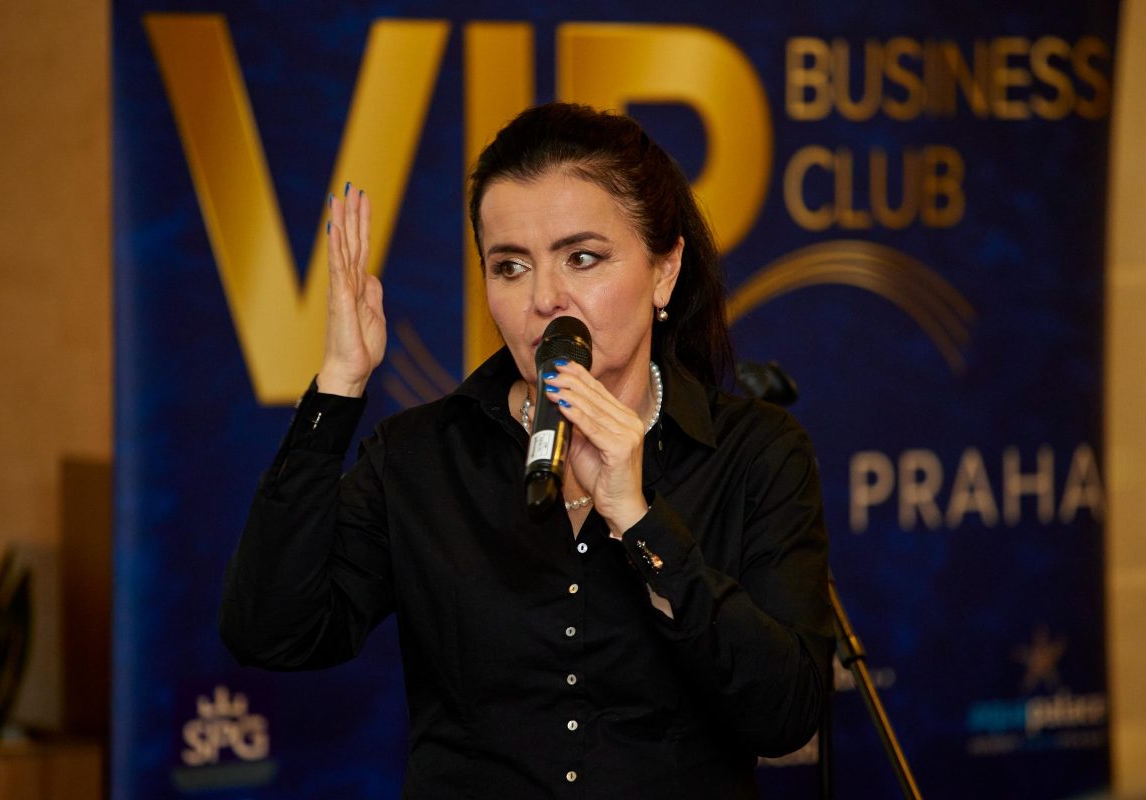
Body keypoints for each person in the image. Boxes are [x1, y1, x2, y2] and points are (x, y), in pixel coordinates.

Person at [220, 102, 833, 798]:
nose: (545, 299)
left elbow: (785, 714)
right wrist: (339, 383)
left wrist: (640, 523)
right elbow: (270, 631)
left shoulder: (755, 453)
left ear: (664, 271)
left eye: (582, 258)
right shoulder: (423, 456)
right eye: (510, 266)